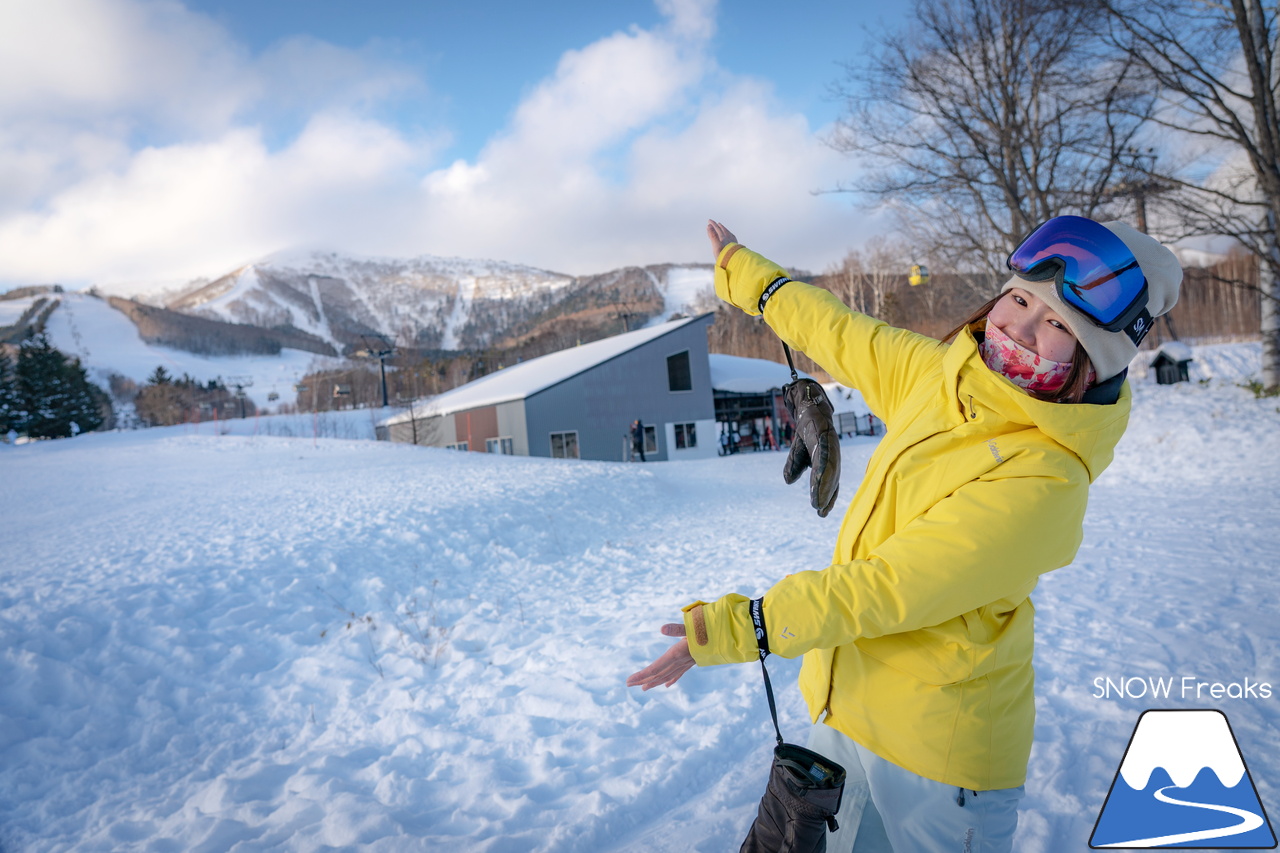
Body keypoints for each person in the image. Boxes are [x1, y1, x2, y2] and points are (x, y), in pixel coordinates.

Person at [628, 216, 1182, 852]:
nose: (1020, 326)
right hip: (844, 713)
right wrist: (747, 277)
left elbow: (885, 590)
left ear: (1095, 359)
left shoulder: (1047, 475)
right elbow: (843, 332)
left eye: (1059, 325)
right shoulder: (941, 378)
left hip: (936, 766)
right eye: (1022, 299)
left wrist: (739, 626)